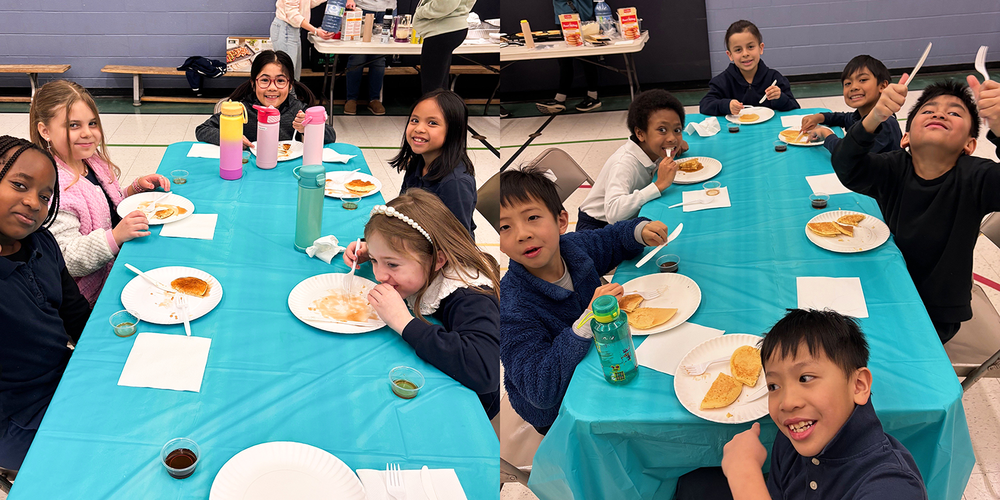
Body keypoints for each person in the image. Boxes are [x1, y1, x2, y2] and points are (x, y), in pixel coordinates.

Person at [497, 167, 670, 433]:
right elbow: (539, 389)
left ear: (561, 221)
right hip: (563, 410)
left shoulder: (573, 248)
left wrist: (639, 230)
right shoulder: (513, 306)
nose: (521, 234)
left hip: (605, 359)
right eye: (505, 227)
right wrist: (589, 318)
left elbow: (611, 239)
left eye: (532, 217)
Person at [831, 75, 1000, 343]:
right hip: (886, 290)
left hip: (935, 312)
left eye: (954, 113)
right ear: (906, 137)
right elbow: (845, 166)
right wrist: (874, 116)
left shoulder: (977, 178)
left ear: (969, 144)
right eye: (929, 111)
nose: (940, 114)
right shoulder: (893, 167)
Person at [721, 309, 927, 499]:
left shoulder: (894, 487)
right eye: (774, 386)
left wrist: (744, 473)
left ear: (858, 385)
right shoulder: (795, 436)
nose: (786, 403)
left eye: (805, 378)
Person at [343, 189, 501, 418]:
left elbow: (486, 371)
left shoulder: (470, 296)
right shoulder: (424, 260)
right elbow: (401, 254)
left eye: (392, 265)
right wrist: (373, 251)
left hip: (466, 408)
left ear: (438, 259)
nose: (379, 275)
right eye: (377, 262)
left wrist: (404, 322)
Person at [30, 80, 168, 306]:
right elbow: (66, 256)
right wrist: (114, 237)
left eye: (92, 123)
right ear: (45, 131)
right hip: (91, 295)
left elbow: (105, 207)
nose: (87, 133)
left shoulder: (91, 162)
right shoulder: (54, 188)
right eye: (73, 125)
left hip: (118, 265)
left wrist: (136, 189)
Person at [0, 136, 91, 471]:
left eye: (44, 196)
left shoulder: (43, 242)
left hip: (64, 376)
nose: (33, 203)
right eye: (19, 185)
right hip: (16, 417)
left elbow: (75, 314)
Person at [577, 89, 689, 230]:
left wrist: (675, 144)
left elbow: (671, 139)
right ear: (640, 133)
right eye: (662, 130)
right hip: (597, 229)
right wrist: (658, 185)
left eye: (677, 130)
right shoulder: (623, 164)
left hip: (627, 219)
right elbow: (614, 214)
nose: (672, 138)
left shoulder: (653, 150)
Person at [195, 50, 336, 147]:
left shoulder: (297, 109)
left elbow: (331, 135)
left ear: (290, 85)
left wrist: (308, 127)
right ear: (253, 84)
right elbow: (202, 130)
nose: (272, 87)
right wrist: (230, 137)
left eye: (280, 81)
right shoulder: (241, 110)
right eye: (264, 80)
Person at [394, 89, 477, 235]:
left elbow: (459, 242)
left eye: (432, 123)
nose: (419, 128)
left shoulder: (455, 183)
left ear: (453, 131)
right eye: (415, 120)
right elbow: (402, 210)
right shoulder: (418, 162)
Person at [799, 55, 902, 154]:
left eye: (862, 80)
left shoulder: (885, 124)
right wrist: (819, 117)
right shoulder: (859, 116)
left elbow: (848, 155)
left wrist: (826, 135)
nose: (854, 87)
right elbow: (844, 118)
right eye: (848, 83)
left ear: (882, 86)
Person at [699, 20, 799, 116]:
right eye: (738, 50)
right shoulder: (722, 81)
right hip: (736, 132)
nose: (745, 54)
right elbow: (705, 105)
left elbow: (795, 108)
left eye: (750, 47)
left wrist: (780, 98)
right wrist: (726, 105)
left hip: (768, 131)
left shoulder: (774, 78)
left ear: (761, 48)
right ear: (730, 55)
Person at [535, 0, 602, 114]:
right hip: (562, 17)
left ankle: (593, 96)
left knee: (587, 58)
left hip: (581, 17)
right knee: (564, 59)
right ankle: (560, 99)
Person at [343, 0, 395, 115]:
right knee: (357, 55)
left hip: (387, 8)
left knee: (379, 57)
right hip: (362, 7)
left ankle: (374, 99)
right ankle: (351, 99)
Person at [413, 0, 476, 95]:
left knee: (432, 90)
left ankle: (433, 109)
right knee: (439, 86)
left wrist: (420, 11)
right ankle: (441, 109)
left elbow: (444, 5)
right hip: (448, 29)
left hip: (441, 30)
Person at [270, 0, 335, 80]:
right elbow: (292, 14)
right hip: (286, 28)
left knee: (294, 75)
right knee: (287, 75)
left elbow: (307, 3)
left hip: (293, 29)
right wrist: (315, 31)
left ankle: (293, 92)